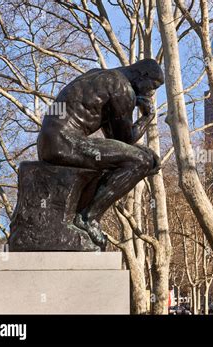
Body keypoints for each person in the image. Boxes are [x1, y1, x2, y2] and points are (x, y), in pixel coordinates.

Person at [37, 58, 164, 249]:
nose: (151, 93)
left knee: (135, 155)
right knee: (142, 161)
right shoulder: (122, 88)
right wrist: (147, 117)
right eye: (153, 86)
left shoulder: (99, 75)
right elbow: (125, 140)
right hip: (65, 143)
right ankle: (89, 217)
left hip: (50, 142)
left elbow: (115, 139)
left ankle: (83, 212)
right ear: (142, 75)